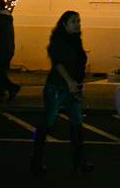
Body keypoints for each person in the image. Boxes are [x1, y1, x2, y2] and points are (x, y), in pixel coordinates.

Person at [30, 11, 93, 175]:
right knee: (48, 120)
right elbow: (57, 64)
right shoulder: (58, 41)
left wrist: (77, 82)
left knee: (77, 121)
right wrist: (69, 81)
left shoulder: (76, 41)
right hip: (57, 87)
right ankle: (36, 156)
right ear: (64, 24)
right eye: (73, 21)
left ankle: (79, 157)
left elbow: (78, 63)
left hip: (73, 87)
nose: (77, 24)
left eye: (78, 21)